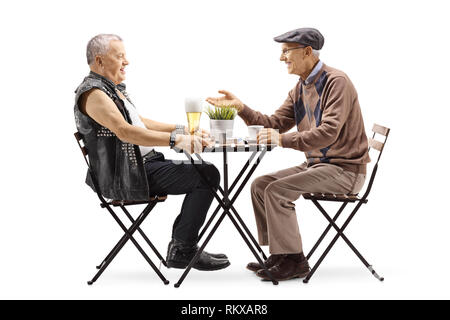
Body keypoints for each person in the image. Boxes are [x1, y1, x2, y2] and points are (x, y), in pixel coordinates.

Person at [206, 27, 370, 281]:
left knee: (277, 190)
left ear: (307, 52)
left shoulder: (336, 82)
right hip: (319, 166)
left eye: (286, 52)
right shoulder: (300, 88)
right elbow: (274, 123)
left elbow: (328, 133)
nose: (281, 58)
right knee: (261, 185)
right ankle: (280, 255)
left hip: (345, 170)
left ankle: (295, 260)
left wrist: (281, 140)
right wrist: (240, 107)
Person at [74, 34, 230, 271]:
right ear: (100, 60)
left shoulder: (111, 90)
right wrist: (176, 140)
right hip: (128, 174)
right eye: (120, 56)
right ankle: (182, 249)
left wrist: (183, 129)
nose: (127, 62)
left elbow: (140, 122)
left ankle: (183, 246)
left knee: (205, 172)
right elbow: (125, 131)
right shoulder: (93, 94)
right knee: (206, 174)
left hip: (143, 165)